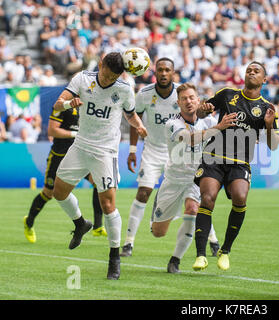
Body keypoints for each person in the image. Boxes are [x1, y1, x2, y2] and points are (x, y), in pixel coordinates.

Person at [52, 52, 148, 280]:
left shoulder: (124, 89)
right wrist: (68, 103)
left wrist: (140, 125)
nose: (107, 80)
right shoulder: (82, 79)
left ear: (120, 75)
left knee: (108, 204)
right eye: (105, 75)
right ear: (101, 65)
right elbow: (57, 106)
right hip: (80, 146)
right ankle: (80, 223)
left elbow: (131, 115)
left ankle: (114, 256)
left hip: (105, 152)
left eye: (113, 77)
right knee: (59, 192)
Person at [120, 58, 220, 257]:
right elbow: (135, 120)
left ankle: (212, 239)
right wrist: (132, 149)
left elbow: (198, 115)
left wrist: (207, 111)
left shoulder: (183, 94)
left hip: (182, 152)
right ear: (155, 72)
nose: (164, 73)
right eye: (160, 70)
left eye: (168, 70)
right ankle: (128, 243)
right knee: (143, 193)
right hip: (154, 150)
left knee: (195, 201)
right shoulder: (144, 94)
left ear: (173, 73)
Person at [192, 61, 279, 271]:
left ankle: (225, 250)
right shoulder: (226, 94)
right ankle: (201, 255)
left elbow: (274, 145)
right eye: (249, 70)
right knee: (207, 199)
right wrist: (203, 109)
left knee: (240, 197)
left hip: (240, 161)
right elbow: (202, 112)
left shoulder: (267, 108)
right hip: (214, 155)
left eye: (256, 71)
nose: (251, 72)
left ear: (264, 79)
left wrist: (269, 125)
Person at [153, 83, 236, 273]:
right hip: (173, 179)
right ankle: (211, 236)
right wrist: (219, 127)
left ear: (198, 101)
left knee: (192, 209)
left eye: (192, 98)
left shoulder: (208, 121)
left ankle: (175, 260)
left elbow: (227, 137)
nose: (188, 101)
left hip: (197, 178)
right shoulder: (172, 124)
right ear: (178, 103)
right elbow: (190, 139)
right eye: (184, 99)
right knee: (158, 232)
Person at [23, 104, 106, 244]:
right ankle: (29, 222)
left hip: (78, 156)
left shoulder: (88, 104)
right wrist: (75, 134)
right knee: (48, 193)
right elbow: (52, 130)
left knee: (97, 181)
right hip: (59, 156)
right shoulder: (62, 104)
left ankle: (97, 226)